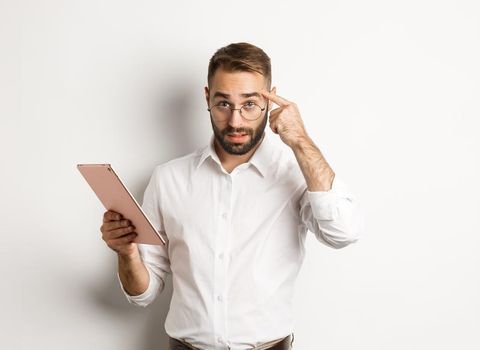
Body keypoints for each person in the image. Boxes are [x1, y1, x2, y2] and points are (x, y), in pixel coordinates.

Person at [99, 42, 363, 350]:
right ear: (208, 98)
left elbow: (343, 233)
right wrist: (126, 254)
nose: (236, 121)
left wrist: (301, 141)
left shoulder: (295, 174)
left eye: (250, 104)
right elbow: (143, 293)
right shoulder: (167, 179)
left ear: (271, 99)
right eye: (224, 104)